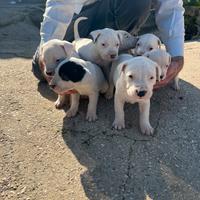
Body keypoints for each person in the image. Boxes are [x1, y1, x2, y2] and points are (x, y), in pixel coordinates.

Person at [32, 0, 185, 89]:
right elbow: (60, 5)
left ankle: (114, 55)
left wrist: (177, 57)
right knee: (43, 72)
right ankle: (89, 58)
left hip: (116, 20)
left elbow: (170, 7)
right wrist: (48, 49)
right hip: (80, 16)